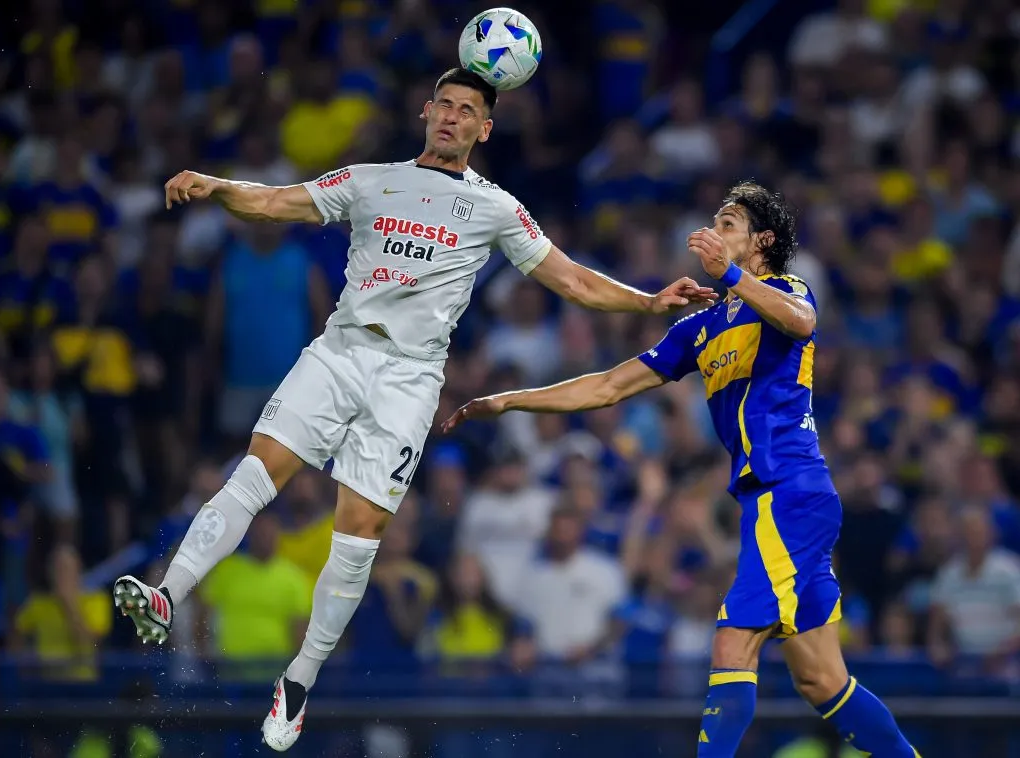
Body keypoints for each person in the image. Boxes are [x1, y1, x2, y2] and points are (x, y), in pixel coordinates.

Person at [111, 67, 716, 751]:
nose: (454, 118)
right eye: (446, 106)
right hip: (340, 350)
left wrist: (646, 301)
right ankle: (167, 594)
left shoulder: (497, 208)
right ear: (426, 112)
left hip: (409, 378)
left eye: (469, 111)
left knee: (359, 528)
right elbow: (278, 203)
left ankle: (300, 680)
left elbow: (571, 278)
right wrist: (219, 186)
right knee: (260, 469)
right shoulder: (371, 180)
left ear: (485, 129)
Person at [443, 182, 921, 758]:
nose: (715, 231)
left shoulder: (783, 290)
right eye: (714, 221)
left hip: (789, 491)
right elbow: (607, 386)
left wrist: (731, 276)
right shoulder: (698, 328)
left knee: (732, 644)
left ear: (761, 240)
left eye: (730, 223)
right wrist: (509, 400)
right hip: (776, 500)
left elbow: (800, 323)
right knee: (823, 681)